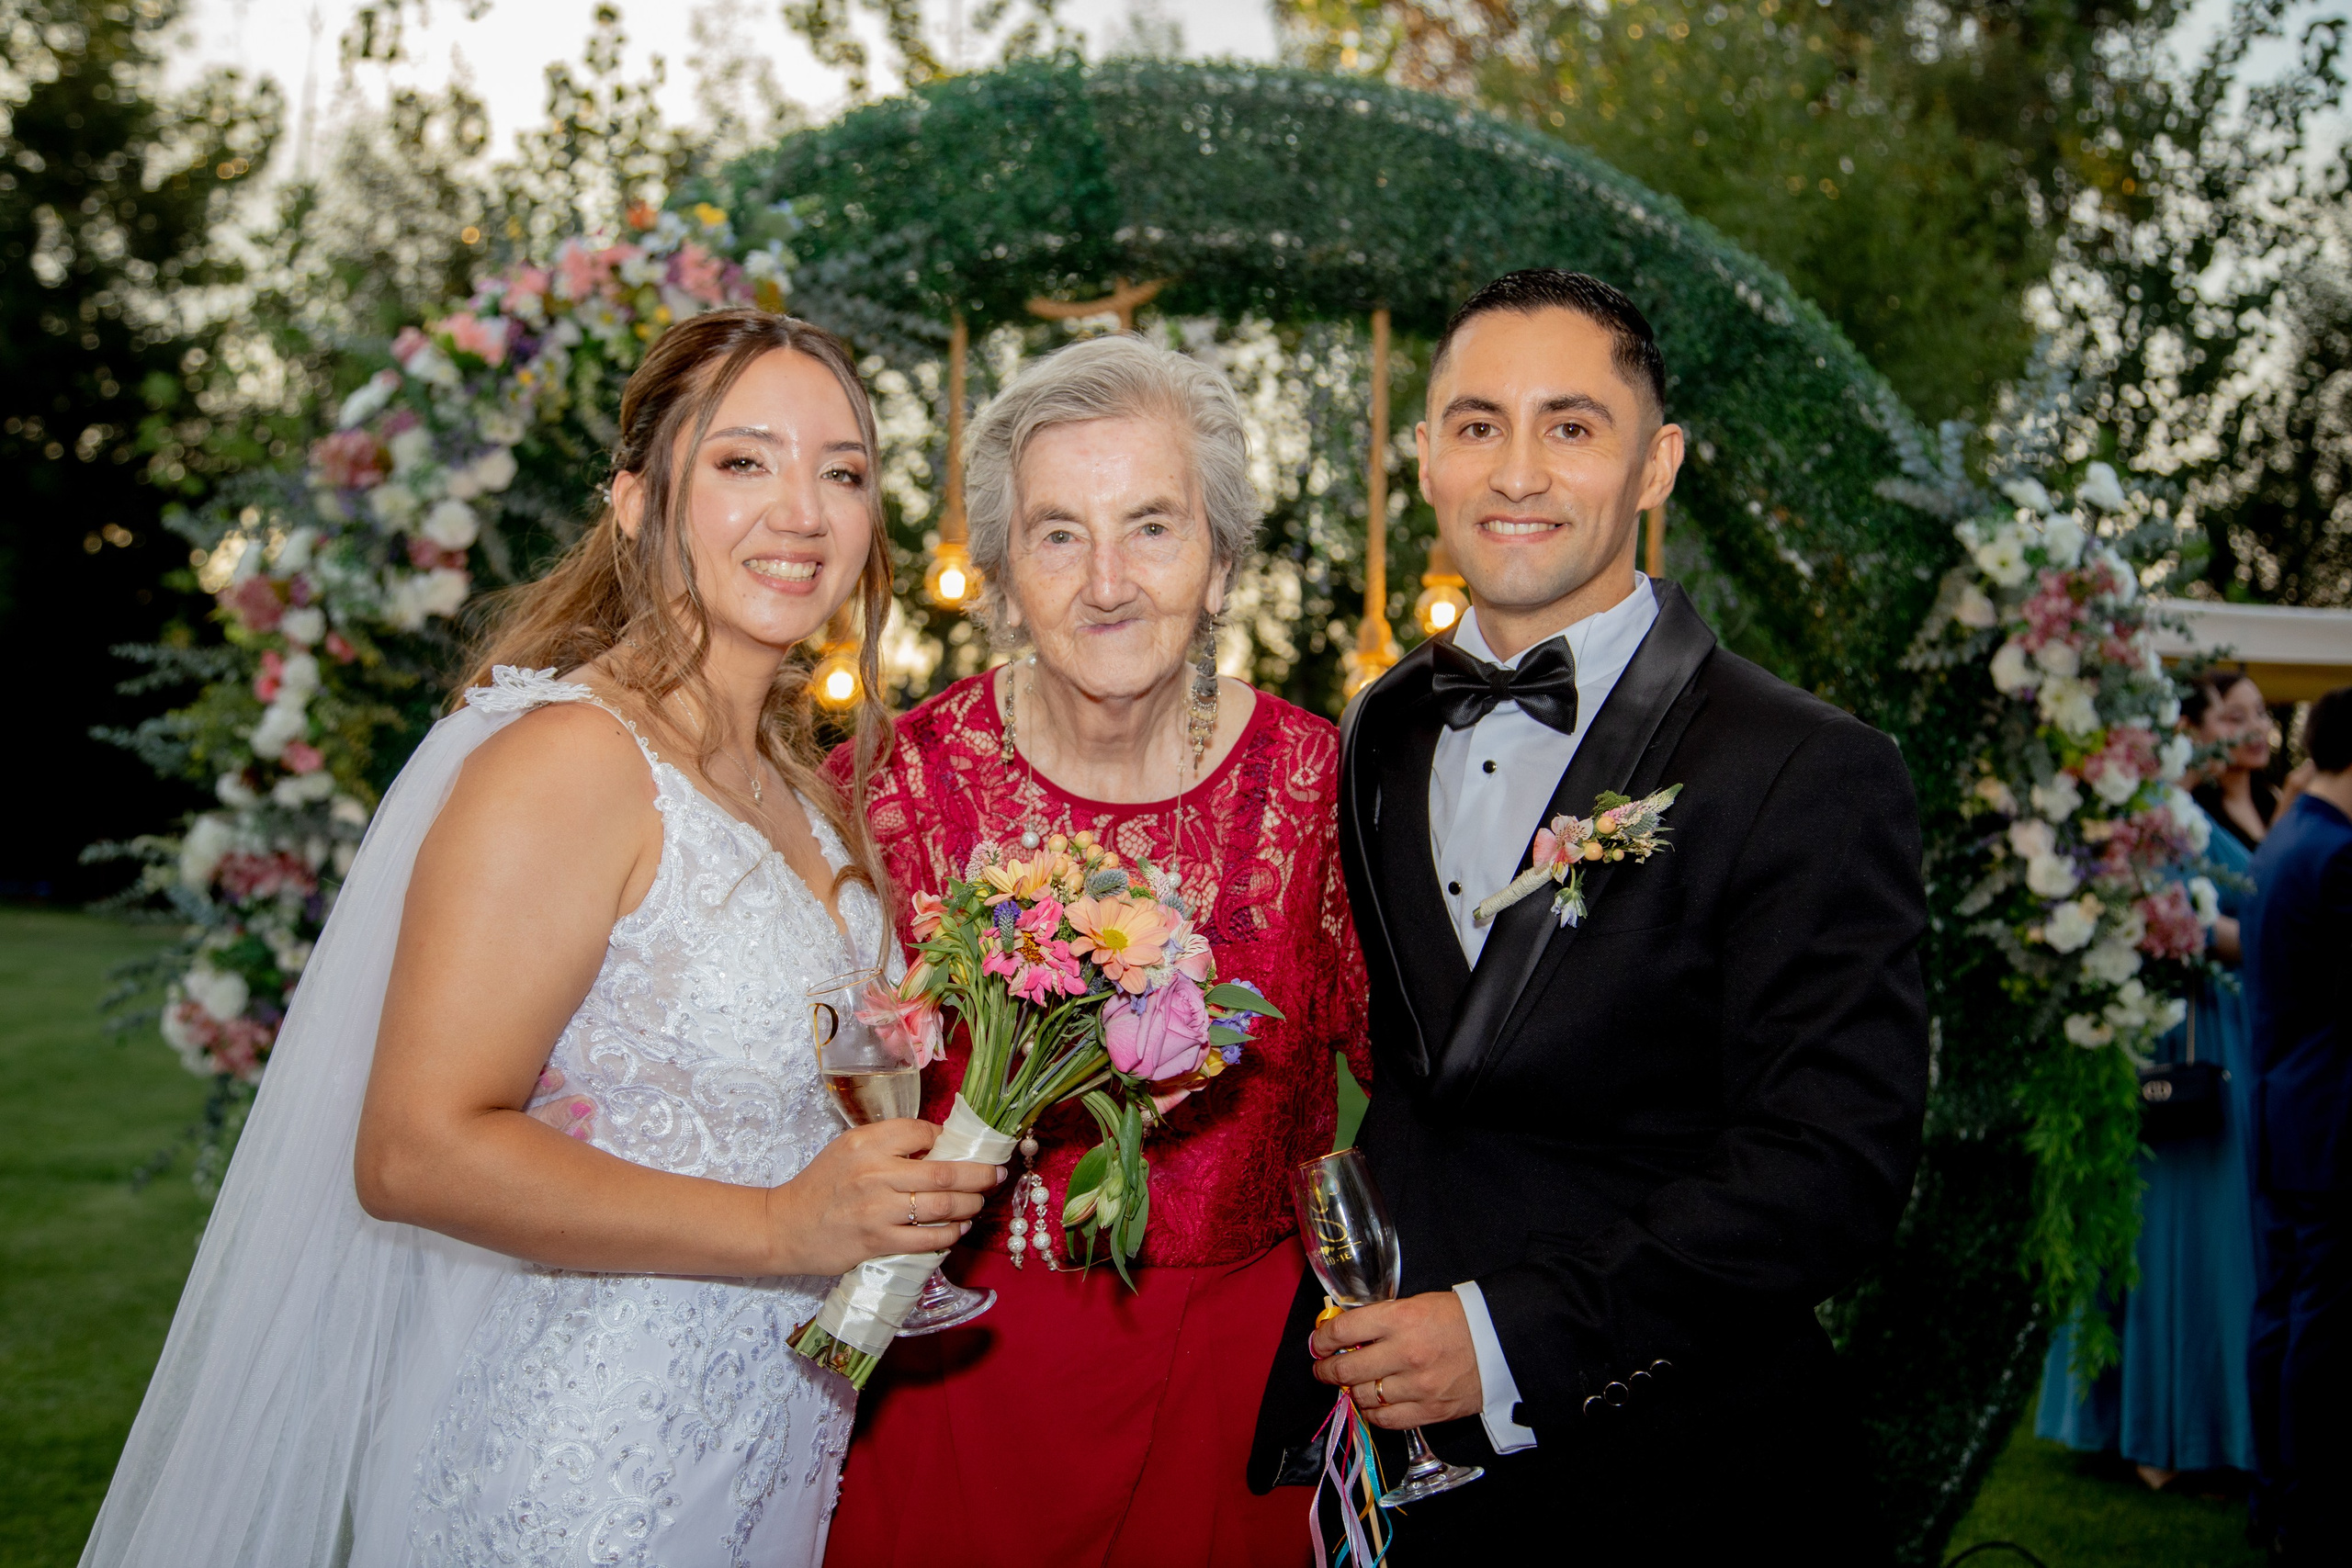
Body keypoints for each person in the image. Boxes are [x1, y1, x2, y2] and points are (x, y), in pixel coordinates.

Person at [80, 309, 1002, 1568]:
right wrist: (787, 1226)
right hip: (594, 1469)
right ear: (635, 499)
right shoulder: (570, 760)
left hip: (773, 1438)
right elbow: (415, 1150)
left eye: (841, 471)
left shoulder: (804, 787)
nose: (802, 509)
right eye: (744, 460)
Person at [1247, 270, 1931, 1562]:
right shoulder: (1378, 734)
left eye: (1571, 426)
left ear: (1655, 464)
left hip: (1681, 1467)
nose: (1517, 471)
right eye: (1475, 423)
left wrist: (1505, 1336)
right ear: (1425, 460)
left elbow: (1830, 1168)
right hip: (1406, 1476)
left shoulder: (1805, 765)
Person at [820, 334, 1370, 1567]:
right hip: (952, 1381)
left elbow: (1434, 1089)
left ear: (1221, 560)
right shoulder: (886, 789)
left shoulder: (1323, 789)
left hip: (1229, 1401)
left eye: (1154, 527)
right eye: (1060, 533)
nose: (1107, 580)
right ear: (1006, 573)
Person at [2037, 671, 2265, 1485]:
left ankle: (2227, 1419)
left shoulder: (2251, 806)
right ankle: (2162, 1429)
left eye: (2262, 713)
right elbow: (2181, 921)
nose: (2258, 728)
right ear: (2192, 730)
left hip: (2242, 1029)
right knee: (2184, 1233)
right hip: (2188, 1037)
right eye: (2235, 716)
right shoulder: (2169, 817)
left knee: (2234, 1236)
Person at [2242, 683, 2352, 1561]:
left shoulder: (2288, 841)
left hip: (2287, 1108)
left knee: (2282, 1311)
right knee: (2319, 1322)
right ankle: (2308, 1512)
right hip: (2330, 1120)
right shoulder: (2336, 854)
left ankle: (2276, 1497)